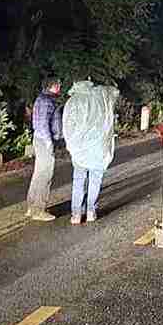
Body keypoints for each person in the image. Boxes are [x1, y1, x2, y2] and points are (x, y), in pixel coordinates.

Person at [61, 78, 119, 224]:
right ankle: (91, 211)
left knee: (79, 180)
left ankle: (76, 214)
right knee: (95, 180)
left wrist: (71, 145)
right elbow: (114, 92)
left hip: (80, 149)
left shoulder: (73, 102)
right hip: (98, 148)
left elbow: (67, 126)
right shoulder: (101, 96)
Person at [24, 78, 62, 222]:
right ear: (53, 86)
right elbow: (43, 124)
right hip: (44, 141)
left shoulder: (41, 98)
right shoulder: (48, 101)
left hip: (39, 139)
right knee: (45, 175)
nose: (60, 87)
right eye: (58, 85)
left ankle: (31, 206)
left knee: (38, 173)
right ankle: (39, 210)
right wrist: (49, 143)